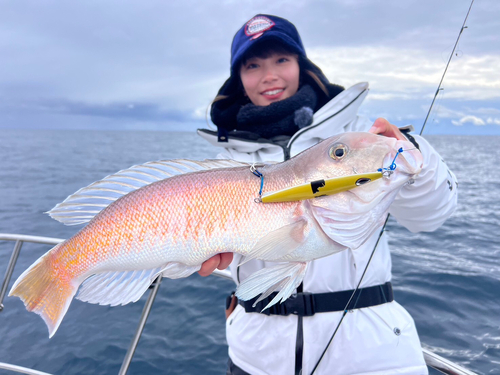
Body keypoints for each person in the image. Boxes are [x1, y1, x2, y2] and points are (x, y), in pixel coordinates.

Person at [196, 14, 458, 375]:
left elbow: (429, 216)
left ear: (302, 66)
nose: (269, 75)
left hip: (372, 357)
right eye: (253, 65)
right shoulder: (222, 163)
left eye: (282, 60)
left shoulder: (358, 138)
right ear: (238, 79)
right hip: (255, 356)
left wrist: (419, 160)